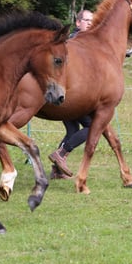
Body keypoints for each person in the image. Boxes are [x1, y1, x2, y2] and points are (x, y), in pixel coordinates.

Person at [48, 9, 93, 178]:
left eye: (92, 21)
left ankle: (57, 170)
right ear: (78, 22)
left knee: (72, 130)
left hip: (71, 95)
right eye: (87, 20)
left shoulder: (84, 41)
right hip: (72, 96)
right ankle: (61, 154)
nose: (90, 23)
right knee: (93, 126)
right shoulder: (73, 42)